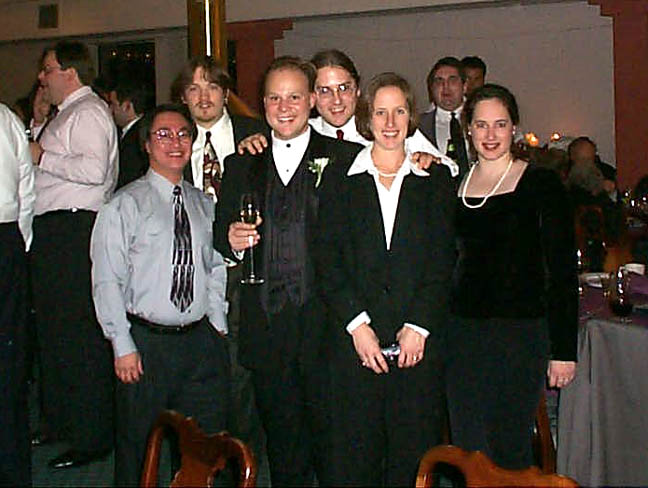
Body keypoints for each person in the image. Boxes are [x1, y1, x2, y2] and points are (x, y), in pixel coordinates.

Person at [215, 56, 364, 486]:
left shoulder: (348, 159)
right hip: (267, 330)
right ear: (263, 104)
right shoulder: (241, 163)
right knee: (283, 450)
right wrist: (231, 239)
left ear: (312, 101)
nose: (284, 107)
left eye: (294, 97)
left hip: (328, 330)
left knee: (336, 450)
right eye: (274, 98)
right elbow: (219, 235)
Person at [314, 72, 455, 486]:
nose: (390, 123)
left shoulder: (435, 179)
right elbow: (327, 259)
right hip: (355, 345)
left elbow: (443, 260)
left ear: (411, 116)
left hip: (418, 348)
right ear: (366, 117)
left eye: (399, 112)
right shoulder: (340, 177)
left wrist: (419, 326)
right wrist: (358, 327)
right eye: (380, 112)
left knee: (413, 463)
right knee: (355, 462)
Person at [90, 104, 230, 486]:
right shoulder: (123, 204)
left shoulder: (204, 203)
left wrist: (217, 322)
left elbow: (214, 265)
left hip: (199, 343)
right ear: (147, 144)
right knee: (139, 450)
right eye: (163, 135)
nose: (175, 142)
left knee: (202, 449)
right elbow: (106, 279)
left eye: (184, 134)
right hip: (146, 345)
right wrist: (121, 343)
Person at [447, 83, 578, 469]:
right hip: (462, 336)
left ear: (514, 128)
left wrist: (564, 351)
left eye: (500, 124)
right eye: (481, 125)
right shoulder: (454, 186)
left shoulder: (541, 184)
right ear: (468, 129)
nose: (490, 135)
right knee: (469, 451)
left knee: (510, 449)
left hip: (520, 336)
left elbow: (562, 272)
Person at [28, 40, 118, 469]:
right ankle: (62, 423)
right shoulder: (67, 114)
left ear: (70, 72)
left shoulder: (89, 112)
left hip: (74, 230)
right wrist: (38, 125)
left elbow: (93, 171)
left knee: (78, 336)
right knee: (55, 333)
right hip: (56, 231)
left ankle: (91, 435)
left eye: (48, 69)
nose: (41, 77)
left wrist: (42, 154)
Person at [237, 49, 458, 176]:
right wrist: (257, 141)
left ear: (357, 89)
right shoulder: (304, 133)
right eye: (325, 90)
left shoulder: (386, 128)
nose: (337, 100)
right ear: (311, 97)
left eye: (344, 88)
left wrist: (429, 161)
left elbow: (452, 168)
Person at [0, 103, 35, 487]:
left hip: (7, 241)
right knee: (8, 368)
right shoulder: (7, 119)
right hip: (8, 240)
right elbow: (27, 190)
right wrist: (16, 246)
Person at [174, 55, 264, 199]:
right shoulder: (172, 143)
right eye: (194, 89)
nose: (204, 97)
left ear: (226, 94)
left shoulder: (256, 133)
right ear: (183, 97)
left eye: (212, 87)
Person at [419, 56, 470, 176]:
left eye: (452, 80)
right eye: (439, 81)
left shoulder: (480, 119)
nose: (445, 86)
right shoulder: (418, 126)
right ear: (431, 88)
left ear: (465, 86)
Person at [109, 80, 153, 189]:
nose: (110, 109)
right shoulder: (143, 129)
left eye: (113, 104)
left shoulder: (134, 139)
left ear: (126, 106)